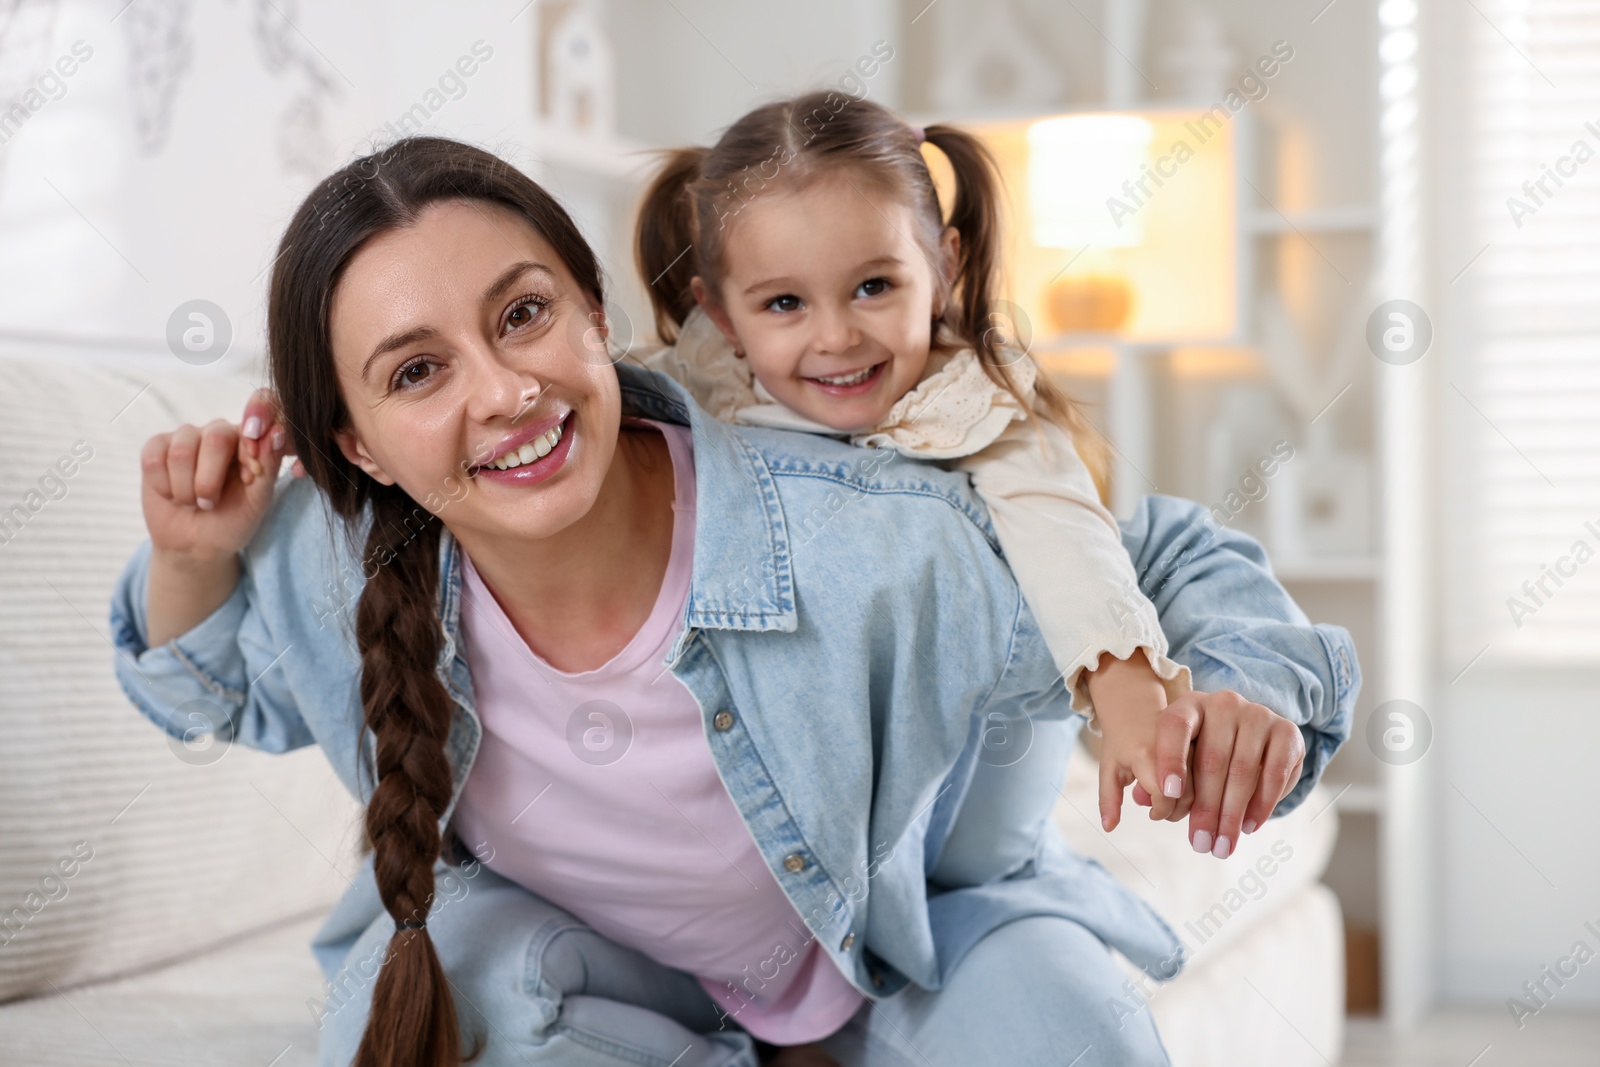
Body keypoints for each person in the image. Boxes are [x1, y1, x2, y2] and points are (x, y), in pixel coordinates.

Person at [110, 138, 1358, 1066]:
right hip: (628, 976)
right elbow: (210, 692)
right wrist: (192, 555)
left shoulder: (866, 534)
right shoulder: (333, 559)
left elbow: (1166, 554)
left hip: (907, 940)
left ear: (597, 317)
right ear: (361, 444)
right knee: (439, 974)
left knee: (1066, 1028)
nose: (501, 393)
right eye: (419, 370)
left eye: (525, 314)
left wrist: (1248, 689)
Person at [631, 92, 1269, 878]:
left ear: (944, 267)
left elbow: (1063, 532)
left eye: (874, 287)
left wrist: (1126, 685)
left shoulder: (972, 407)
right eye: (785, 303)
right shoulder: (689, 394)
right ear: (722, 315)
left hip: (959, 800)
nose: (836, 336)